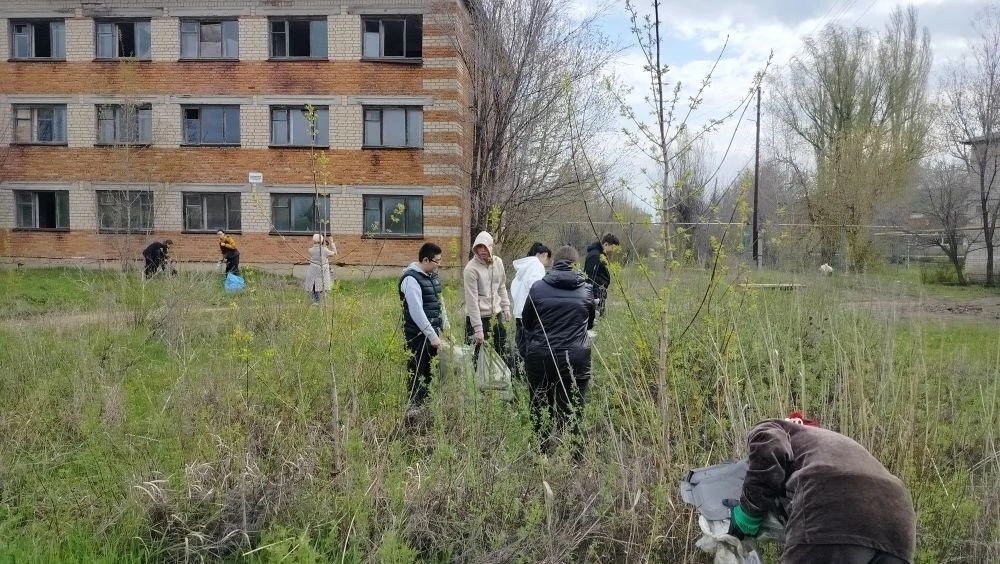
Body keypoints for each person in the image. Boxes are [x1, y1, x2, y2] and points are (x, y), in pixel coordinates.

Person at [728, 412, 917, 564]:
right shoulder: (835, 443)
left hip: (833, 506)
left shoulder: (775, 426)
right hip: (899, 525)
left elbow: (770, 447)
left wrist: (748, 512)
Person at [521, 245, 596, 455]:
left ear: (554, 264)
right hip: (576, 359)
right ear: (576, 265)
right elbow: (589, 325)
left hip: (541, 358)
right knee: (574, 409)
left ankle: (541, 453)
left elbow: (528, 322)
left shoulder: (537, 288)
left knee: (540, 406)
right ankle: (573, 456)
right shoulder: (587, 290)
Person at [399, 242, 448, 411]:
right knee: (417, 372)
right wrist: (432, 336)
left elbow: (440, 303)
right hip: (417, 336)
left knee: (429, 373)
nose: (439, 265)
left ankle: (427, 408)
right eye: (437, 261)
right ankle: (413, 410)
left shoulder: (432, 276)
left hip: (433, 334)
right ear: (425, 260)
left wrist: (445, 328)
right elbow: (416, 311)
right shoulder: (411, 279)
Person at [463, 231, 511, 363]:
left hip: (496, 315)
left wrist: (506, 307)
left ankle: (502, 380)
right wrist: (478, 329)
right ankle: (475, 382)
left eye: (485, 246)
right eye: (479, 247)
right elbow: (471, 301)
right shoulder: (470, 269)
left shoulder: (498, 263)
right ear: (475, 248)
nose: (482, 250)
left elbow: (501, 286)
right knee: (475, 356)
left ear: (490, 247)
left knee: (501, 350)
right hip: (477, 318)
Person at [510, 242, 551, 370]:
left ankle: (518, 371)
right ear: (544, 255)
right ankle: (527, 373)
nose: (547, 263)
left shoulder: (525, 267)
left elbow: (514, 287)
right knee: (529, 346)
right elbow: (536, 290)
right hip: (529, 312)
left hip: (519, 311)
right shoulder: (537, 266)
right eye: (548, 259)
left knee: (520, 344)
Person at [584, 233, 620, 317]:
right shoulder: (595, 256)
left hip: (601, 292)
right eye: (612, 247)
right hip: (596, 295)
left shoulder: (601, 255)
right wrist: (595, 298)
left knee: (601, 318)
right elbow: (590, 278)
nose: (613, 250)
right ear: (606, 244)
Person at [305, 234, 334, 305]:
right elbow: (334, 253)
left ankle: (315, 301)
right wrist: (332, 243)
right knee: (322, 286)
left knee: (314, 285)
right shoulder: (324, 250)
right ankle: (320, 302)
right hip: (321, 272)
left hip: (313, 271)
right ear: (321, 241)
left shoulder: (311, 250)